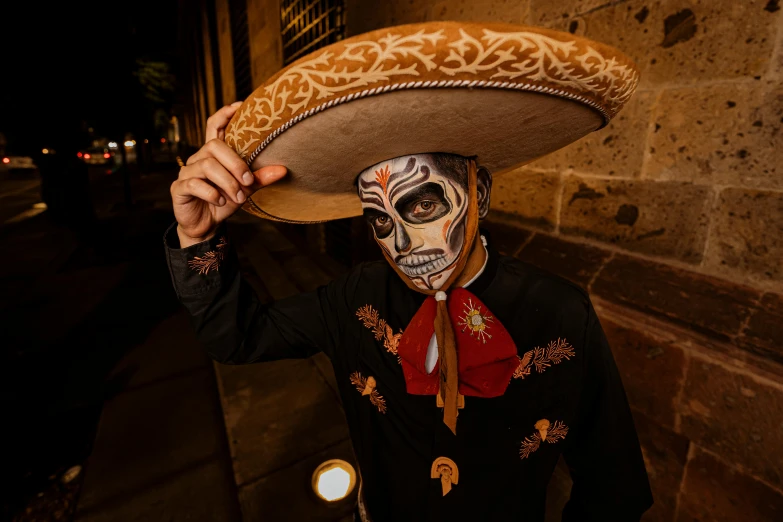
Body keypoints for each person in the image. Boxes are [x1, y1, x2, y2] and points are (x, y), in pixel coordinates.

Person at [165, 21, 653, 522]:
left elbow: (614, 486)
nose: (399, 244)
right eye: (380, 219)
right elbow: (236, 337)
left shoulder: (560, 312)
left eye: (420, 206)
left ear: (478, 193)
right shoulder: (356, 298)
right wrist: (198, 238)